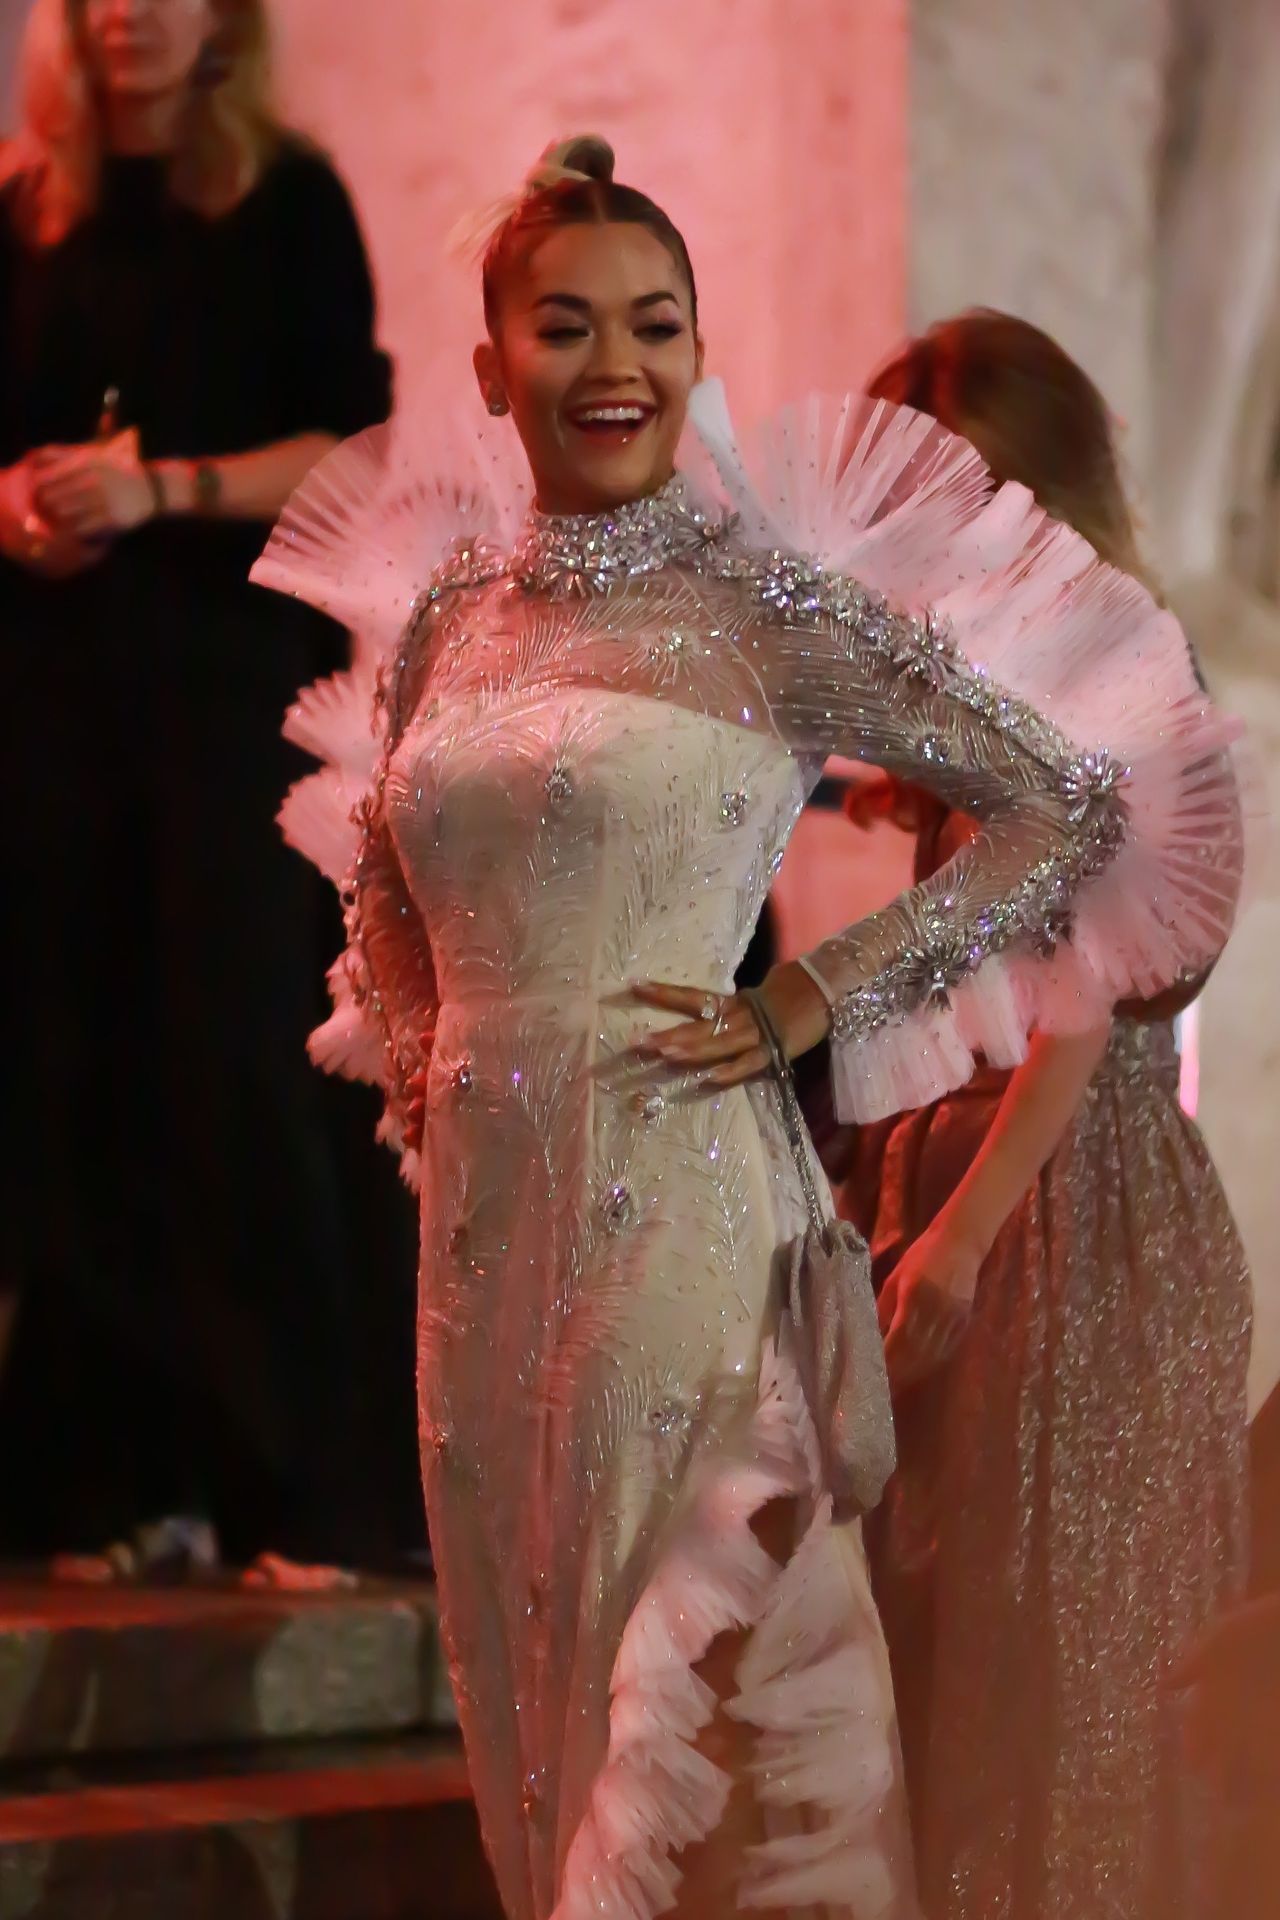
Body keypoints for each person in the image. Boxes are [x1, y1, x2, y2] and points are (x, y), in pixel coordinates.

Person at [254, 143, 1243, 1920]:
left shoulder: (753, 603)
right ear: (492, 365)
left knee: (693, 1701)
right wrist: (437, 1088)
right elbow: (386, 878)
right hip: (484, 1247)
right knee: (527, 1679)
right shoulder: (453, 620)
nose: (615, 361)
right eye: (566, 325)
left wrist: (811, 994)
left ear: (700, 355)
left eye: (656, 324)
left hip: (691, 1217)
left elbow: (1064, 800)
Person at [836, 312, 1253, 1920]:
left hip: (1072, 1200)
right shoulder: (998, 669)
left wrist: (963, 1230)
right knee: (960, 1638)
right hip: (970, 1172)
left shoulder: (1112, 661)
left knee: (1065, 1654)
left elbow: (1090, 979)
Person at [0, 0, 410, 1575]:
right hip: (52, 701)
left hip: (229, 697)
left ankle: (295, 1479)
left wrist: (159, 488)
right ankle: (107, 1480)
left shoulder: (288, 201)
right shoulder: (28, 214)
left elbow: (350, 453)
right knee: (69, 1061)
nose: (132, 12)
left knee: (235, 1059)